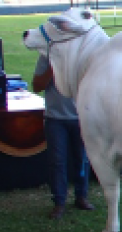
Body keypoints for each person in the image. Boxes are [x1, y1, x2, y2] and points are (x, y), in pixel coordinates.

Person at [33, 53, 92, 219]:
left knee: (82, 159)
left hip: (80, 117)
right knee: (57, 161)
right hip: (55, 119)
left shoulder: (83, 54)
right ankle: (59, 201)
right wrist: (53, 68)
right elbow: (36, 86)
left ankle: (81, 196)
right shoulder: (47, 56)